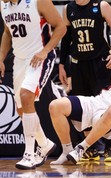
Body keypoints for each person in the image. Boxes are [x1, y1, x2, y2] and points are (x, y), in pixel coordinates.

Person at [56, 0, 111, 164]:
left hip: (100, 63)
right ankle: (91, 149)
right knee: (83, 107)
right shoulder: (68, 8)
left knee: (106, 106)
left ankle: (109, 147)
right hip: (78, 64)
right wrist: (61, 64)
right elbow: (66, 38)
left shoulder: (101, 5)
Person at [0, 0, 66, 169]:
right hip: (20, 60)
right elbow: (8, 32)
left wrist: (45, 51)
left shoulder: (39, 1)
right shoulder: (4, 5)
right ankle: (44, 144)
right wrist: (0, 59)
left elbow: (61, 27)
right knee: (20, 109)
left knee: (26, 96)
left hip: (40, 57)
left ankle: (29, 153)